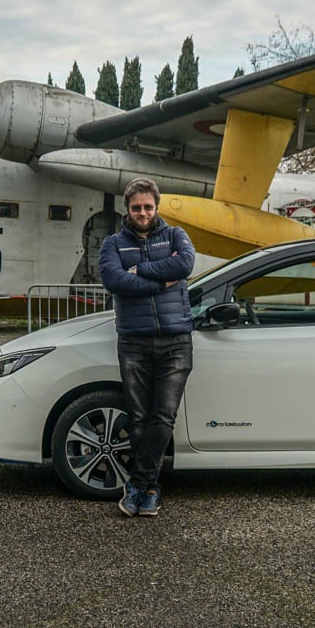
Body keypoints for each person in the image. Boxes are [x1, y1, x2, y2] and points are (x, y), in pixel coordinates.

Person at [98, 178, 195, 517]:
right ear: (128, 208)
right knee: (138, 418)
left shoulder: (175, 236)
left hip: (176, 341)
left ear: (156, 207)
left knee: (163, 416)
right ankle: (149, 488)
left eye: (148, 207)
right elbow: (114, 280)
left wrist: (140, 271)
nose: (142, 213)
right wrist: (160, 281)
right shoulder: (112, 244)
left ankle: (141, 486)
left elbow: (184, 265)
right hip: (134, 341)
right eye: (136, 207)